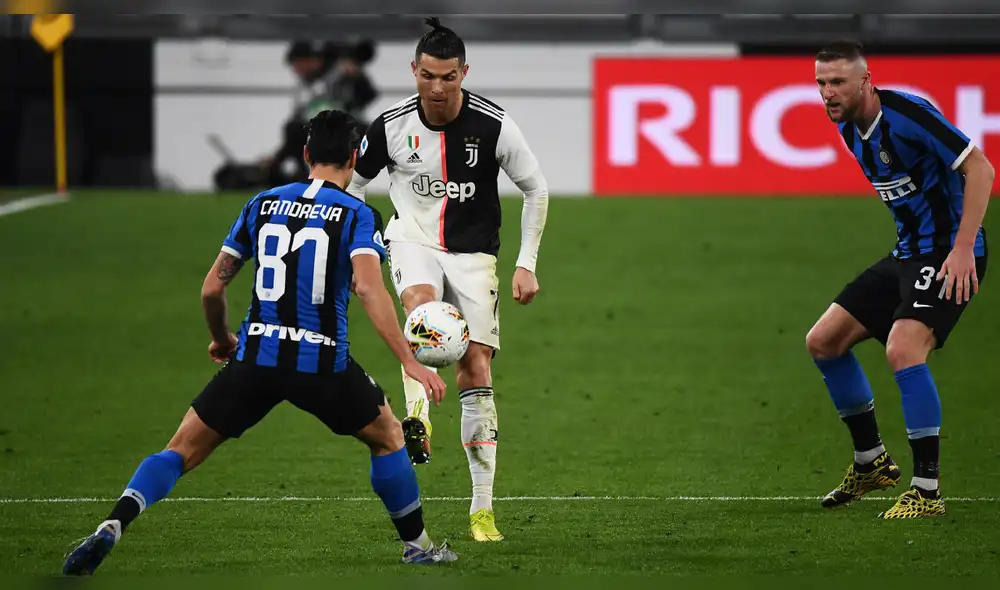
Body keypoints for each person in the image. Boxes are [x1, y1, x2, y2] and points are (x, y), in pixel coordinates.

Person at [61, 110, 458, 576]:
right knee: (389, 436)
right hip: (321, 363)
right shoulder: (357, 214)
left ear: (306, 154)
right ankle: (418, 545)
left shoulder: (262, 203)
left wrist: (221, 339)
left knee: (180, 450)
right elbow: (370, 288)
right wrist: (410, 360)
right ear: (355, 157)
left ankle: (114, 522)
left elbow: (212, 288)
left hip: (255, 357)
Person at [347, 17, 549, 542]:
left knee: (476, 368)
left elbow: (536, 189)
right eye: (428, 76)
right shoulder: (389, 127)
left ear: (464, 73)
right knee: (421, 310)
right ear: (414, 70)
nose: (437, 89)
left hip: (475, 253)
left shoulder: (494, 125)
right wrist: (361, 247)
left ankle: (482, 508)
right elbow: (355, 187)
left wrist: (526, 262)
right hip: (412, 239)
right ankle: (417, 419)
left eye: (448, 78)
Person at [807, 40, 994, 519]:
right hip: (908, 254)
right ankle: (871, 463)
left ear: (866, 81)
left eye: (838, 83)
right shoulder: (850, 126)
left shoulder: (908, 115)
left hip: (952, 253)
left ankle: (926, 491)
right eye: (822, 84)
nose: (828, 93)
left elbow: (981, 167)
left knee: (902, 348)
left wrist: (960, 248)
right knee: (824, 341)